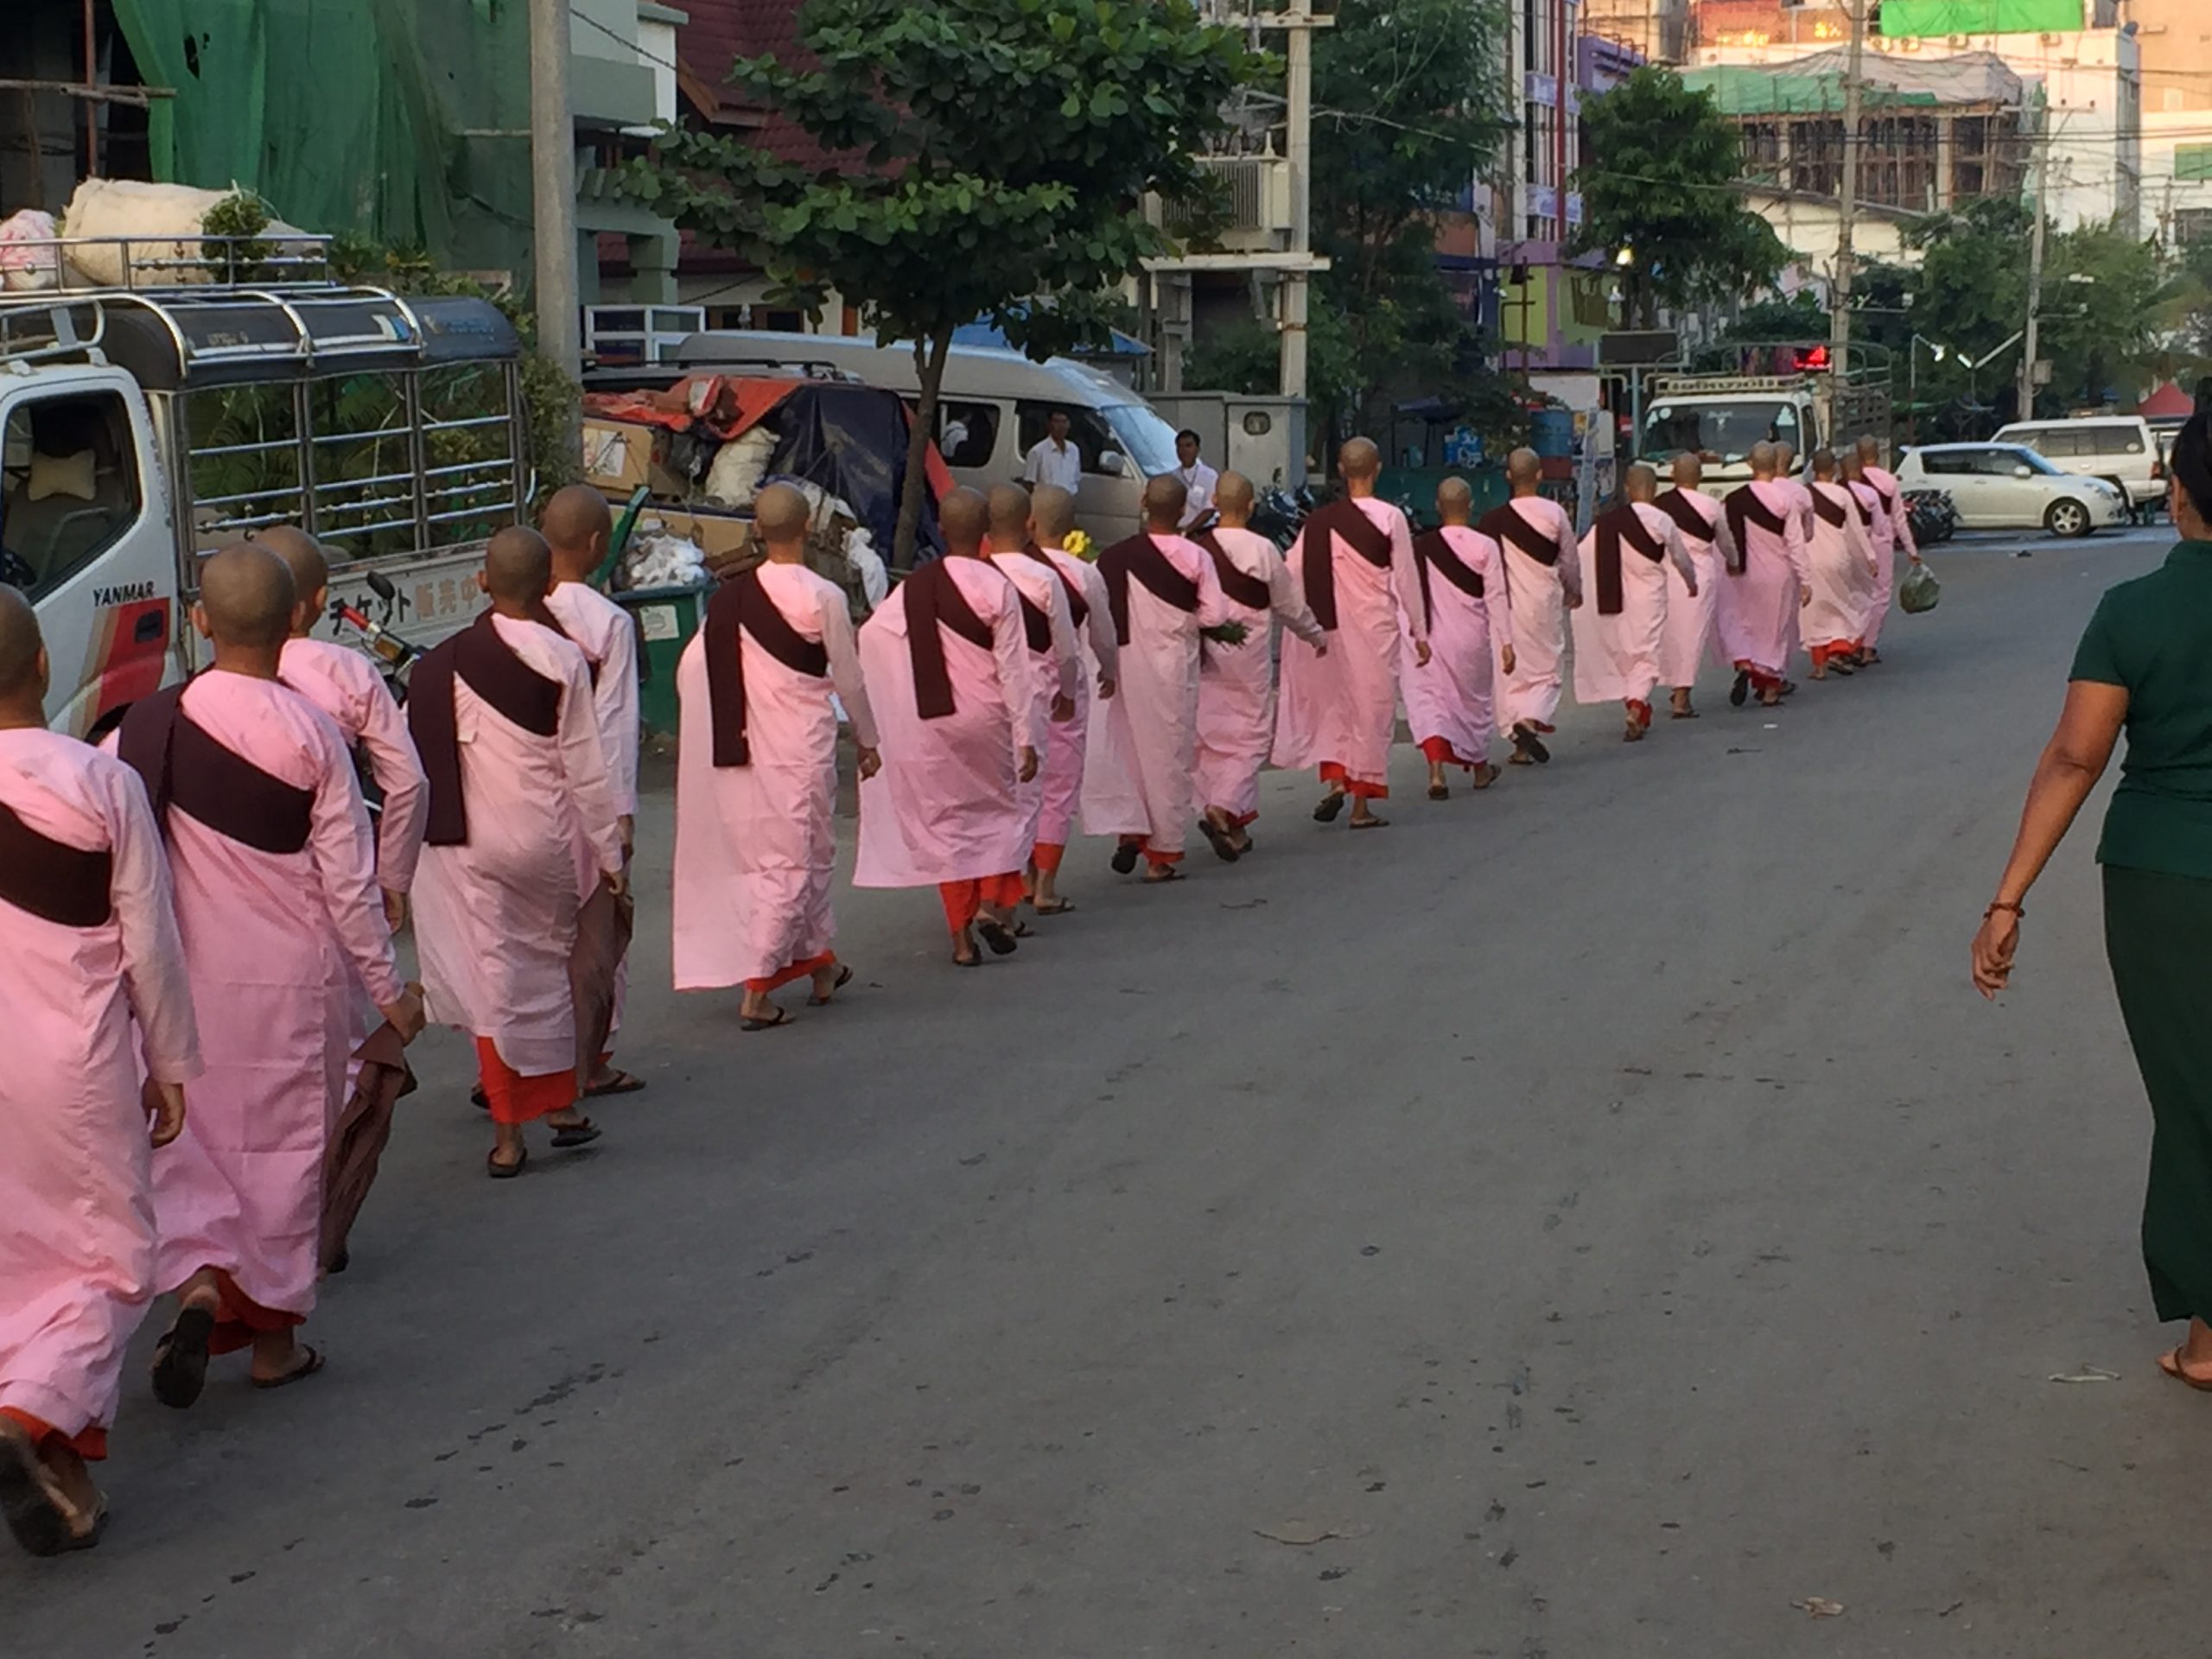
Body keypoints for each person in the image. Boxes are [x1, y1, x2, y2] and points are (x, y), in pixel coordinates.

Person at [114, 544, 423, 1403]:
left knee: (190, 1146)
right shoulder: (313, 732)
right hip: (292, 979)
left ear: (200, 621)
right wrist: (391, 992)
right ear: (297, 619)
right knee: (285, 1155)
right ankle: (275, 1347)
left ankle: (200, 1287)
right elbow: (350, 887)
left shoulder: (145, 725)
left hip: (181, 983)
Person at [1972, 411, 2212, 1394]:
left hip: (2165, 882)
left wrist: (2007, 900)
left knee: (2194, 1096)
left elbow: (2076, 756)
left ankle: (2208, 1341)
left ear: (2177, 491)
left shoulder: (2131, 612)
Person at [0, 588, 200, 1556]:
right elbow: (151, 945)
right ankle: (30, 1420)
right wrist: (171, 1063)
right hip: (71, 1065)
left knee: (12, 1260)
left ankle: (59, 1469)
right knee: (111, 1263)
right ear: (42, 665)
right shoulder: (97, 779)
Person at [409, 528, 626, 1178]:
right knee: (547, 968)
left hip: (466, 845)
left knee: (495, 977)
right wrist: (611, 856)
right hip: (542, 840)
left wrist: (395, 871)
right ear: (546, 590)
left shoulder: (440, 663)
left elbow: (408, 765)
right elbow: (589, 772)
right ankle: (559, 1107)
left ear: (481, 581)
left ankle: (508, 1137)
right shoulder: (563, 658)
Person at [257, 524, 429, 1274]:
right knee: (330, 1068)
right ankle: (305, 1231)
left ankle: (233, 1257)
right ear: (317, 601)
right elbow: (408, 783)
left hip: (218, 922)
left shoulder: (187, 702)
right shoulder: (347, 676)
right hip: (324, 904)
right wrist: (394, 878)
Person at [672, 484, 880, 1029]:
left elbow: (691, 671)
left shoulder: (728, 600)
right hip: (797, 749)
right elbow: (850, 679)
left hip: (743, 748)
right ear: (808, 525)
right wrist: (869, 740)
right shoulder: (823, 597)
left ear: (757, 530)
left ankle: (821, 966)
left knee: (804, 854)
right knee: (789, 862)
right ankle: (758, 989)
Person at [855, 488, 1043, 967]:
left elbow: (873, 635)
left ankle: (961, 942)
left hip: (932, 718)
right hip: (987, 717)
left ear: (940, 529)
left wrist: (899, 695)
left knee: (949, 825)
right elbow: (1015, 670)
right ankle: (990, 906)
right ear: (985, 533)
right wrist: (1027, 736)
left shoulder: (914, 587)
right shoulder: (996, 586)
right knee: (1001, 814)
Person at [539, 485, 645, 1098]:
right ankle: (592, 1058)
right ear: (598, 545)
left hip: (524, 796)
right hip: (590, 798)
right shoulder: (609, 623)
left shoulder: (512, 614)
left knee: (531, 939)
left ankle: (524, 1061)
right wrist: (619, 818)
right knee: (597, 937)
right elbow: (613, 726)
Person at [1272, 437, 1430, 827]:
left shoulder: (1318, 522)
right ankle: (1360, 805)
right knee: (1371, 711)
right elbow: (1407, 580)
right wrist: (1421, 632)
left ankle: (1337, 783)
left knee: (1337, 708)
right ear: (1376, 469)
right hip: (1374, 629)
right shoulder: (1390, 518)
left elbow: (1290, 573)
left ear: (1341, 471)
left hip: (1328, 629)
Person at [1082, 474, 1230, 880]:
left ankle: (1130, 831)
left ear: (1144, 502)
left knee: (1128, 748)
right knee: (1167, 755)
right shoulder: (1195, 557)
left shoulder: (1110, 558)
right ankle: (1161, 854)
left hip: (1123, 665)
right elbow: (1216, 615)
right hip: (1170, 667)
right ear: (1184, 510)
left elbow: (1092, 610)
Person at [1192, 470, 1325, 854]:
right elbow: (1289, 605)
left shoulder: (1199, 549)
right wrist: (1315, 635)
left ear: (1214, 502)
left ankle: (1235, 826)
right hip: (1248, 659)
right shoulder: (1263, 550)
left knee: (1211, 738)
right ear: (1251, 506)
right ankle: (1223, 806)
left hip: (1204, 656)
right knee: (1249, 738)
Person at [984, 486, 1083, 898]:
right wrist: (1070, 694)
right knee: (1049, 788)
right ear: (1029, 525)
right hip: (1041, 696)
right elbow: (1067, 651)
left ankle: (1006, 886)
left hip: (985, 700)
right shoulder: (1045, 578)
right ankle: (1040, 886)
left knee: (998, 797)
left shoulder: (973, 576)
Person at [1029, 485, 1117, 914]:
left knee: (1018, 785)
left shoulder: (999, 569)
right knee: (1059, 785)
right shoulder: (1084, 574)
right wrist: (1110, 670)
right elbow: (1103, 633)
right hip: (1062, 688)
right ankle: (1045, 885)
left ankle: (1021, 880)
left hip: (1004, 692)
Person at [1404, 476, 1515, 797]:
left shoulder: (1421, 546)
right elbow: (1496, 597)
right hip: (1471, 638)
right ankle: (1480, 769)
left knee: (1432, 702)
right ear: (1471, 506)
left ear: (1438, 507)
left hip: (1430, 639)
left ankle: (1436, 773)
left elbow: (1405, 593)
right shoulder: (1485, 546)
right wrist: (1506, 642)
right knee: (1473, 704)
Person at [1571, 465, 1698, 742]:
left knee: (1625, 654)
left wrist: (1576, 590)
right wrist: (1691, 583)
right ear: (1655, 490)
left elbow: (1581, 555)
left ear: (1627, 489)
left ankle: (1634, 707)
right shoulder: (1662, 520)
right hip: (1648, 599)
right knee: (1645, 656)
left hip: (1614, 598)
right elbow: (1681, 558)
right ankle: (1638, 704)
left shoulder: (1606, 523)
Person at [1478, 448, 1583, 765]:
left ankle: (1517, 734)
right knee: (1546, 669)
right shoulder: (1554, 514)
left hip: (1505, 605)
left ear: (1509, 477)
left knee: (1511, 673)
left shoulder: (1492, 520)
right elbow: (1569, 559)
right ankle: (1529, 722)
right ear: (1539, 475)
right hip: (1543, 601)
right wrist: (1574, 590)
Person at [1716, 442, 1813, 710]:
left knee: (1747, 624)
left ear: (1750, 464)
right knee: (1774, 632)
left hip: (1742, 575)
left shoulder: (1733, 499)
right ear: (1778, 466)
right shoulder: (1785, 500)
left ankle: (1747, 663)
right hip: (1777, 574)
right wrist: (1805, 580)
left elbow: (1723, 540)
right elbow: (1796, 543)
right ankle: (1769, 689)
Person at [1653, 453, 1735, 720]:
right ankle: (1681, 696)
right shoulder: (1711, 506)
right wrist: (1734, 562)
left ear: (1673, 476)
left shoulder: (1660, 505)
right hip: (1699, 575)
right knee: (1692, 635)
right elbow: (1726, 542)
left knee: (1669, 633)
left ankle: (1666, 687)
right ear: (1699, 476)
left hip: (1664, 575)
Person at [1803, 450, 1879, 681]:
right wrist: (1870, 557)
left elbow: (1801, 530)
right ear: (1834, 469)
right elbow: (1856, 529)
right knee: (1843, 604)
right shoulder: (1842, 494)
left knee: (1814, 611)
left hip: (1811, 558)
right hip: (1839, 557)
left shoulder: (1804, 495)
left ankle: (1819, 668)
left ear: (1814, 469)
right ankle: (1838, 650)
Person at [1856, 434, 1921, 664]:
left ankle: (1853, 641)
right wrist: (1911, 550)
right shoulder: (1888, 480)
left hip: (1854, 542)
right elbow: (1899, 518)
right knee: (1881, 594)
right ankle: (1868, 646)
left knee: (1857, 593)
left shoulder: (1847, 482)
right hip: (1881, 540)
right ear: (1879, 454)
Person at [1022, 410, 1084, 493]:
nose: (1061, 426)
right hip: (1046, 502)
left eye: (1064, 422)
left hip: (1069, 500)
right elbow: (1029, 484)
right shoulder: (1037, 452)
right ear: (1049, 425)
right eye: (1057, 422)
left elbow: (1075, 479)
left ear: (1069, 425)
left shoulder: (1074, 450)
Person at [1173, 429, 1219, 530]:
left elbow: (1210, 509)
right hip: (1179, 531)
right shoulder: (1173, 477)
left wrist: (1188, 530)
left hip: (1203, 531)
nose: (1184, 451)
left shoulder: (1210, 475)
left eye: (1188, 446)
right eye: (1180, 447)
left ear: (1197, 449)